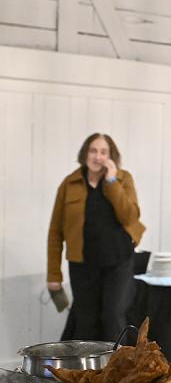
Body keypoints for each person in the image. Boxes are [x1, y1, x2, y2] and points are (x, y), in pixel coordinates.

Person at [47, 133, 145, 341]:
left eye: (103, 152)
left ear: (111, 157)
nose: (97, 156)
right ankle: (87, 372)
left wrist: (111, 181)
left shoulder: (123, 179)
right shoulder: (69, 183)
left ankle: (121, 370)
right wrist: (54, 274)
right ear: (85, 154)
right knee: (85, 320)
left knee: (112, 316)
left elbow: (130, 215)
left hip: (118, 261)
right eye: (93, 150)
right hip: (82, 264)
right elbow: (55, 231)